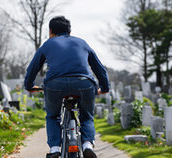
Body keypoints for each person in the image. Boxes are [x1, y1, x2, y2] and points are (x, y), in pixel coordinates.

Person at [24, 16, 109, 158]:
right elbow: (100, 69)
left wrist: (29, 86)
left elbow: (32, 68)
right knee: (86, 117)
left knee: (53, 116)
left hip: (55, 84)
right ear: (69, 31)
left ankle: (55, 149)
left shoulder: (48, 44)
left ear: (51, 31)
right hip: (84, 83)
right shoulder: (82, 43)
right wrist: (104, 87)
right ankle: (87, 144)